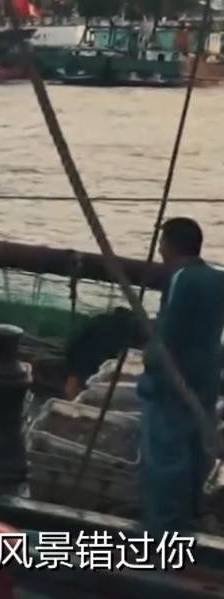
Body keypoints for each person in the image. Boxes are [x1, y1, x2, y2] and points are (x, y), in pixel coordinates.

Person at [138, 217, 224, 535]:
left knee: (165, 458)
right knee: (195, 450)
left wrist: (150, 365)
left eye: (162, 243)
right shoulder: (217, 279)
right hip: (206, 379)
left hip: (175, 382)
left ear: (170, 246)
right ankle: (189, 520)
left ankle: (165, 532)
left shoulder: (181, 278)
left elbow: (169, 332)